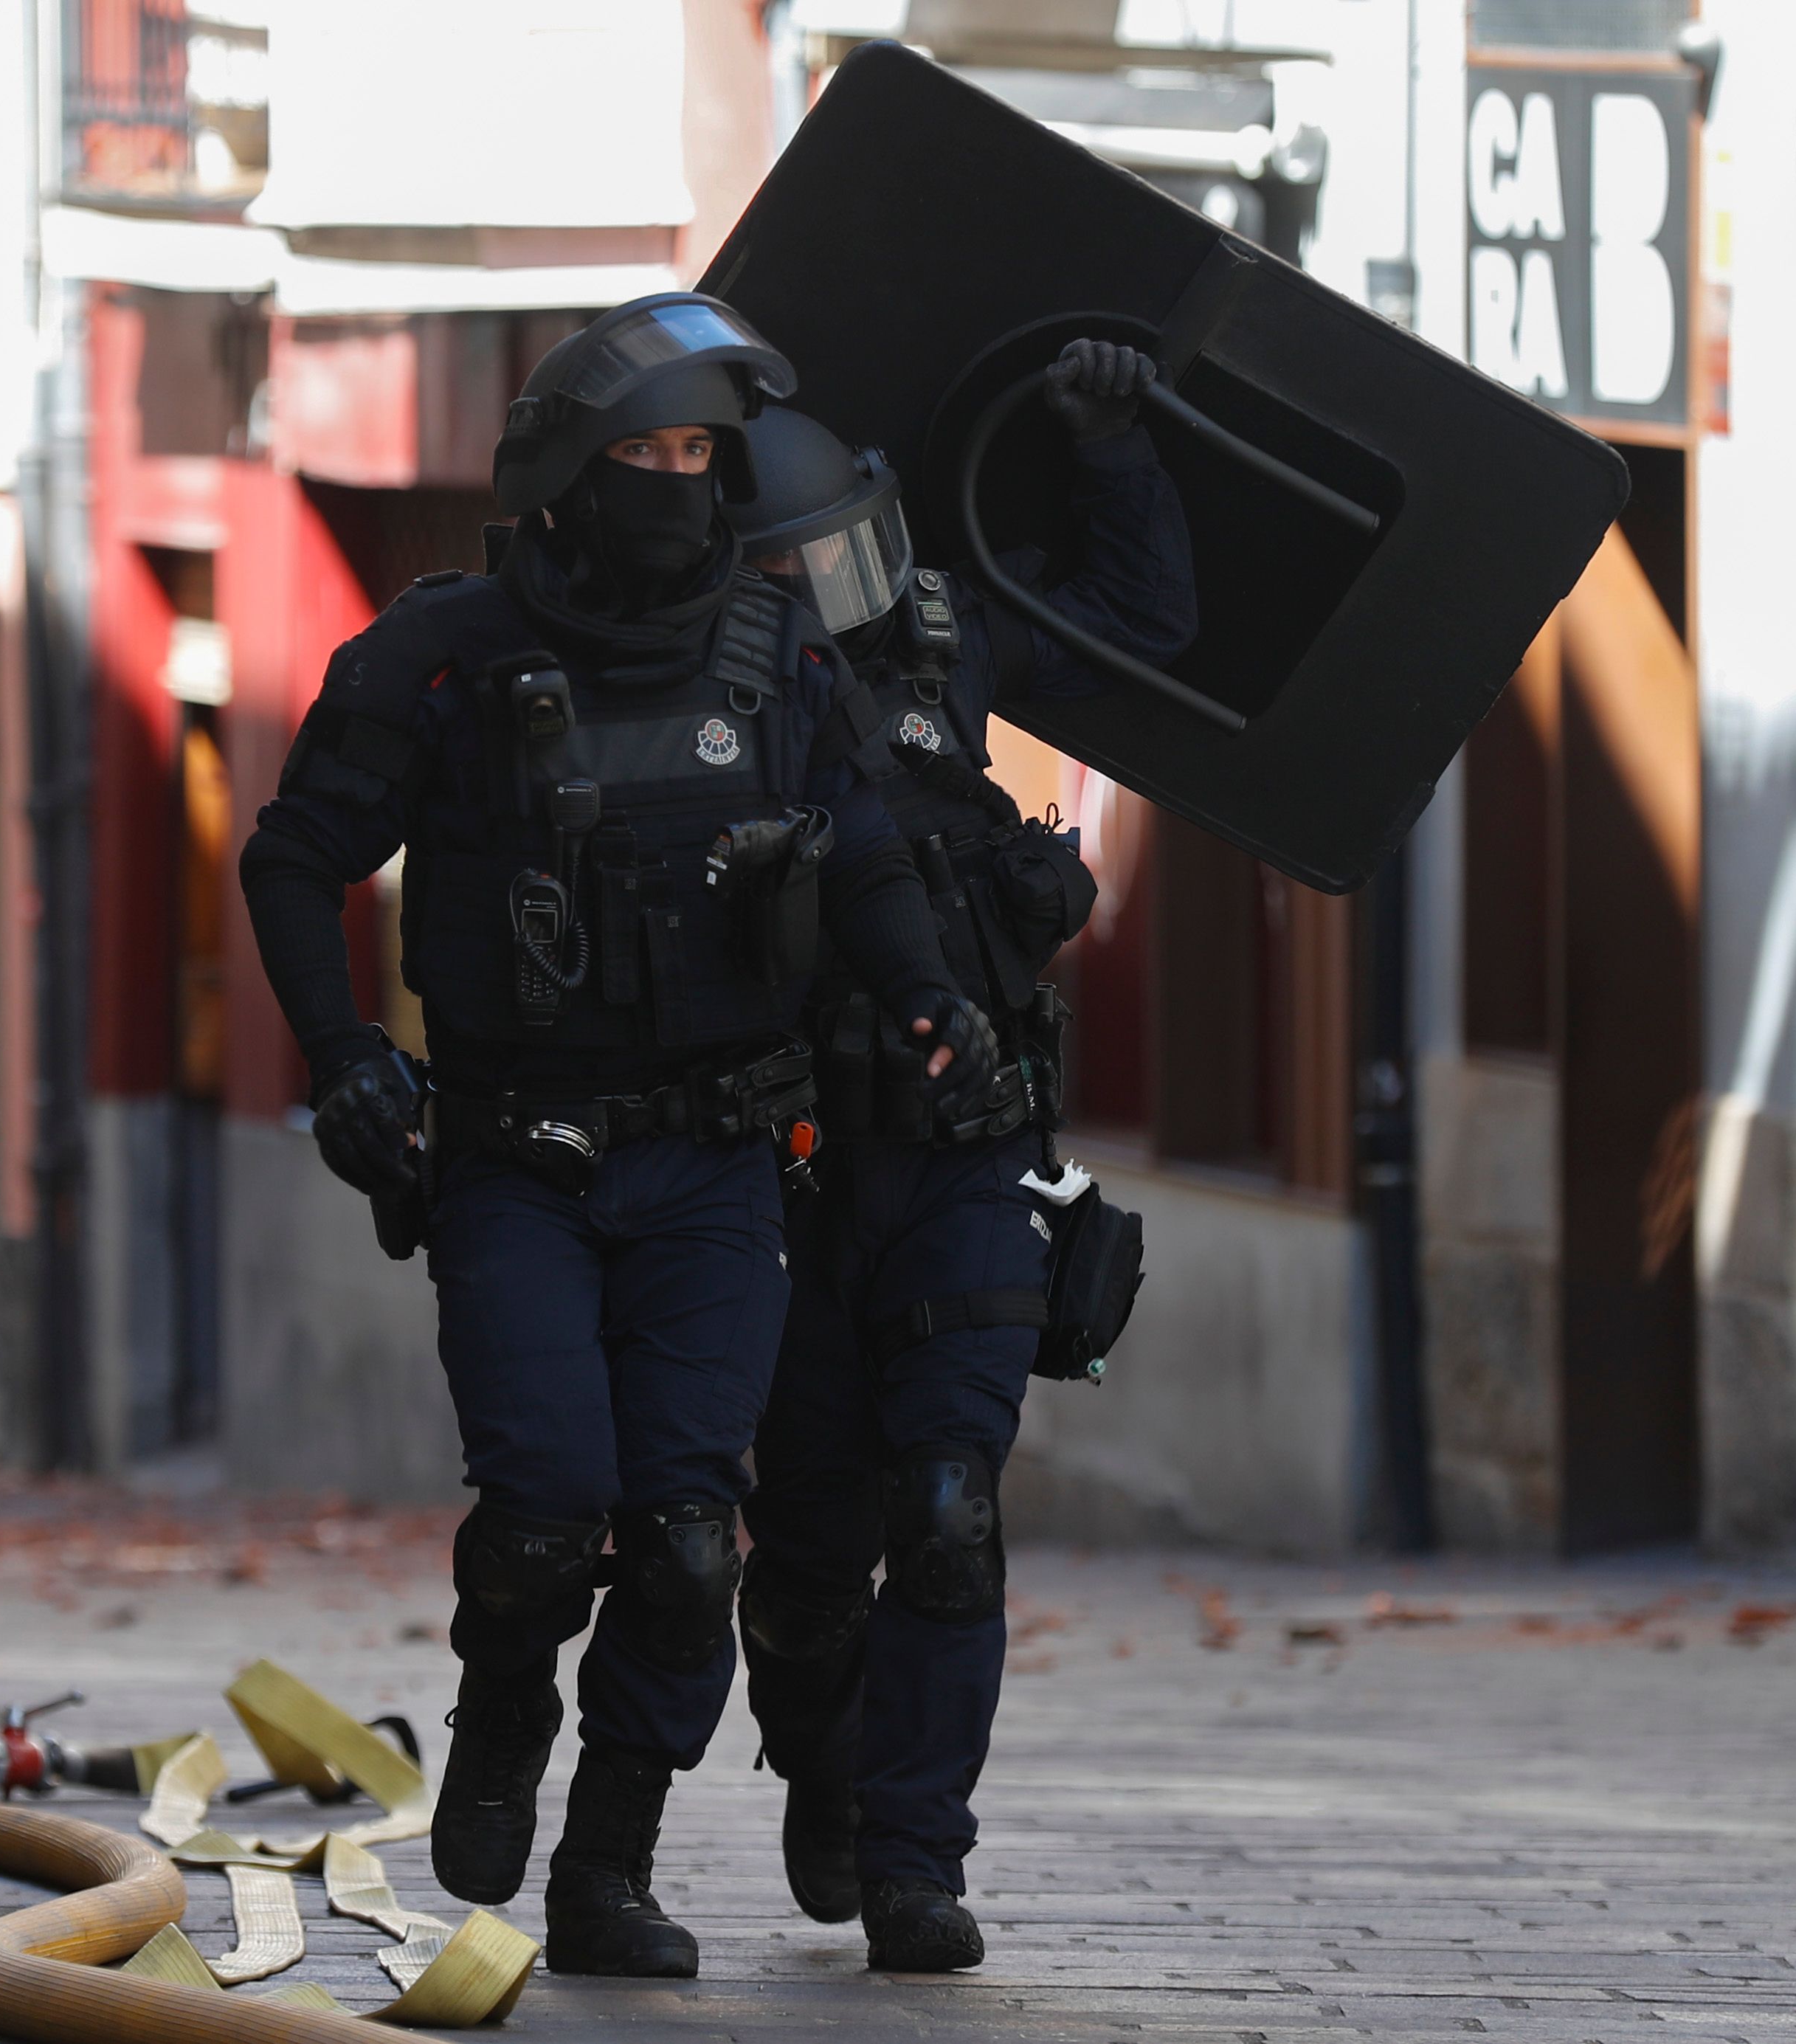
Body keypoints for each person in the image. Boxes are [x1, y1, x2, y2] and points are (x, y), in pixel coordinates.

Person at [236, 294, 999, 1982]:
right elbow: (292, 859)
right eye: (642, 449)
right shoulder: (441, 656)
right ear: (567, 468)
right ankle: (502, 1696)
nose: (672, 479)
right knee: (542, 1507)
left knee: (682, 1539)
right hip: (514, 1154)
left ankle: (609, 1863)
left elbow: (862, 850)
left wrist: (930, 995)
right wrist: (351, 1056)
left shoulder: (772, 649)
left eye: (692, 453)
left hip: (718, 1162)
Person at [730, 338, 1194, 1971]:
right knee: (798, 1555)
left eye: (847, 556)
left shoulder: (942, 647)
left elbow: (1143, 626)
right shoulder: (699, 701)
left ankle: (915, 1852)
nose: (833, 596)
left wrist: (1111, 448)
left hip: (966, 1158)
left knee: (945, 1505)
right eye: (794, 571)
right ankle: (822, 1758)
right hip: (784, 1178)